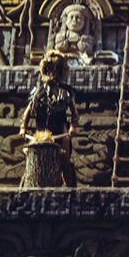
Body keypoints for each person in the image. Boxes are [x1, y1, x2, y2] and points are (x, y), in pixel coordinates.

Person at [20, 49, 79, 185]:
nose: (51, 73)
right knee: (34, 160)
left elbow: (74, 113)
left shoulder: (66, 93)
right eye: (49, 69)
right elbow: (28, 112)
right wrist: (23, 127)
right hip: (41, 132)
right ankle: (29, 183)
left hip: (60, 131)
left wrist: (72, 128)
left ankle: (69, 185)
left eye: (54, 69)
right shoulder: (38, 92)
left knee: (64, 160)